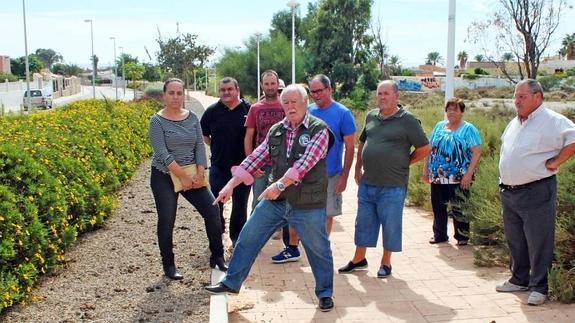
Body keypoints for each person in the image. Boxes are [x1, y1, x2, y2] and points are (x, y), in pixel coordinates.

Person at [204, 84, 336, 312]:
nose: (290, 106)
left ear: (305, 103)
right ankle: (231, 282)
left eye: (295, 101)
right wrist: (230, 185)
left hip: (306, 202)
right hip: (277, 201)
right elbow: (255, 157)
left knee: (319, 249)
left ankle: (325, 293)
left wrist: (279, 184)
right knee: (248, 236)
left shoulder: (319, 129)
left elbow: (304, 165)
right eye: (286, 102)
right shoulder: (277, 130)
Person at [338, 80, 431, 278]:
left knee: (390, 223)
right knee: (362, 222)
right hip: (368, 181)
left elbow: (424, 148)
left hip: (393, 184)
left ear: (397, 96)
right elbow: (362, 141)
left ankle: (386, 262)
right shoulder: (372, 116)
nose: (382, 97)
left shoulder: (408, 120)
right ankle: (358, 259)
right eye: (379, 93)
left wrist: (405, 162)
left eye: (386, 93)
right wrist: (357, 167)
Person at [496, 79, 575, 306]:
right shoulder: (515, 122)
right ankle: (519, 278)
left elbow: (573, 137)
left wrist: (558, 160)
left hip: (536, 190)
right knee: (516, 239)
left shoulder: (552, 120)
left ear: (537, 97)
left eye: (522, 96)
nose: (516, 101)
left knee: (539, 240)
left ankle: (540, 287)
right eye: (515, 96)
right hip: (510, 192)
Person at [271, 74, 357, 263]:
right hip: (302, 174)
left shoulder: (343, 113)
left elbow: (350, 147)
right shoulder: (306, 111)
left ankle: (321, 250)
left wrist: (344, 176)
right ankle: (293, 248)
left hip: (331, 174)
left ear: (329, 90)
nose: (316, 95)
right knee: (294, 209)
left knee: (327, 213)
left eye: (320, 90)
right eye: (313, 91)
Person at [149, 78, 226, 280]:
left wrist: (200, 173)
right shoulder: (156, 121)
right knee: (167, 220)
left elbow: (199, 147)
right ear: (164, 95)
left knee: (212, 210)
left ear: (184, 95)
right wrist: (184, 176)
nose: (176, 97)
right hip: (164, 176)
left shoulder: (192, 118)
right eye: (171, 93)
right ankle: (169, 265)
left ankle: (217, 256)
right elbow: (162, 154)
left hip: (193, 175)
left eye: (179, 93)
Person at [423, 97, 482, 246]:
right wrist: (426, 169)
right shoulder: (439, 126)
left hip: (459, 177)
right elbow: (429, 149)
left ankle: (462, 237)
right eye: (449, 109)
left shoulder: (469, 129)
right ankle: (440, 235)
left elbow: (477, 152)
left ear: (462, 112)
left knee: (459, 208)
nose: (451, 112)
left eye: (455, 109)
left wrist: (469, 174)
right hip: (437, 176)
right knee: (438, 206)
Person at [200, 77, 251, 246]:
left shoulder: (248, 110)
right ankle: (219, 233)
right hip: (219, 166)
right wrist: (216, 146)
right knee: (215, 202)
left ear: (237, 90)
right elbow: (204, 135)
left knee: (240, 205)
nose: (226, 92)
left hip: (243, 167)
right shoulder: (212, 111)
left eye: (230, 89)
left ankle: (237, 239)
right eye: (223, 90)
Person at [244, 70, 285, 212]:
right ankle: (257, 234)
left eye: (273, 83)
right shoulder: (255, 109)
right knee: (258, 203)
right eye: (266, 84)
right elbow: (248, 137)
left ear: (277, 84)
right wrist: (252, 165)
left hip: (283, 164)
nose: (270, 87)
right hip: (261, 166)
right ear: (261, 85)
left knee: (284, 203)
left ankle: (283, 233)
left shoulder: (286, 106)